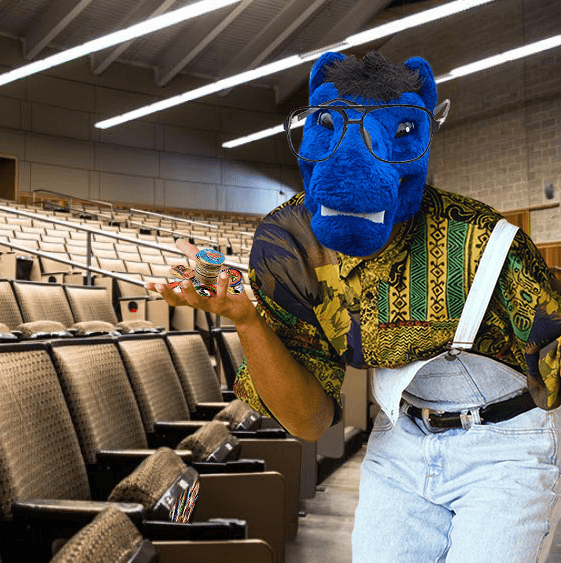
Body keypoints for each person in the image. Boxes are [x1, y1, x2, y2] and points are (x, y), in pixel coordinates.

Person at [147, 51, 561, 562]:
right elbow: (310, 421)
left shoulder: (482, 240)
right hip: (400, 439)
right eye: (328, 125)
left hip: (504, 446)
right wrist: (245, 318)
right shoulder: (288, 245)